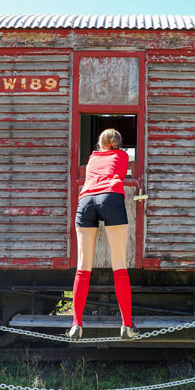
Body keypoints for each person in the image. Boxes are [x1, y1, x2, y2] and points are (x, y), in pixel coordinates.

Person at [67, 128, 139, 340]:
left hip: (86, 200)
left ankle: (76, 324)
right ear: (118, 143)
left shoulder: (92, 157)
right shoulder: (123, 155)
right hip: (111, 196)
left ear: (100, 143)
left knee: (83, 267)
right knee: (119, 265)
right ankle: (126, 325)